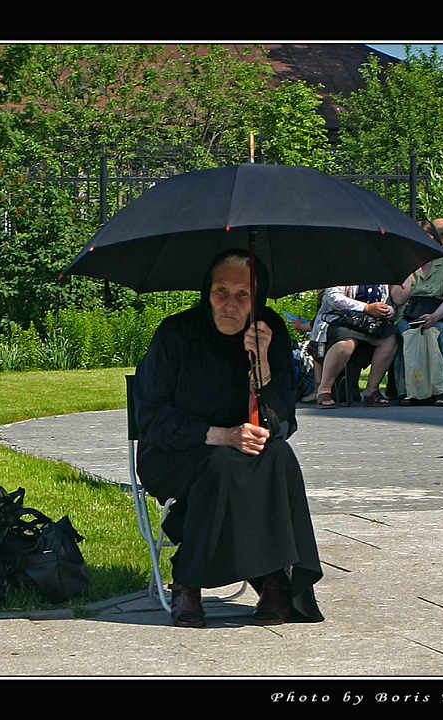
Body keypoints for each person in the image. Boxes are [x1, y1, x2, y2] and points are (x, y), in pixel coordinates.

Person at [132, 249, 324, 628]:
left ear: (258, 298)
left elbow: (282, 422)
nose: (230, 304)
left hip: (242, 455)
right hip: (176, 453)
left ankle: (276, 582)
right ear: (207, 292)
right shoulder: (176, 334)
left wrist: (264, 367)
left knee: (279, 457)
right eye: (221, 291)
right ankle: (191, 579)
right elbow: (151, 418)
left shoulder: (268, 331)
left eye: (243, 295)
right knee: (221, 464)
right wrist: (222, 435)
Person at [389, 220, 443, 406]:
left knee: (436, 333)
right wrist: (409, 269)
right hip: (410, 314)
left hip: (439, 312)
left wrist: (435, 316)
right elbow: (398, 299)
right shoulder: (404, 262)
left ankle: (442, 390)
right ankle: (407, 390)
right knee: (407, 333)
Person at [311, 285, 398, 408]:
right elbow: (333, 298)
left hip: (369, 323)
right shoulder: (340, 270)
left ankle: (371, 391)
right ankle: (324, 390)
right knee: (347, 342)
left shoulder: (379, 274)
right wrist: (366, 308)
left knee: (390, 338)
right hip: (339, 320)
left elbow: (388, 302)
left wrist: (386, 310)